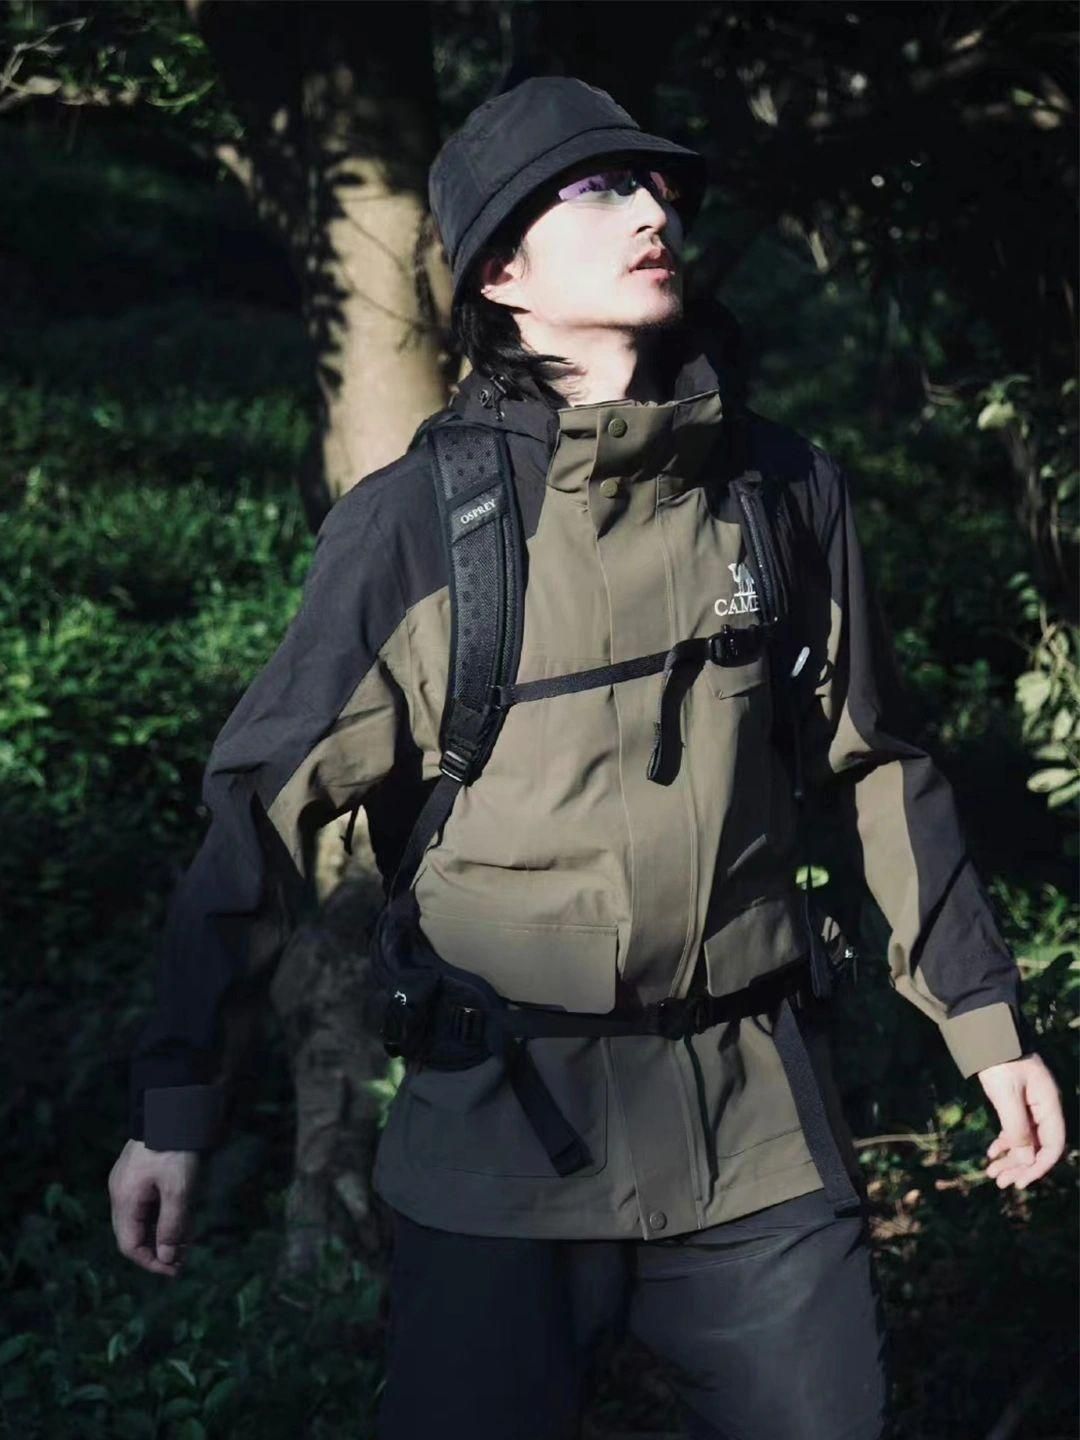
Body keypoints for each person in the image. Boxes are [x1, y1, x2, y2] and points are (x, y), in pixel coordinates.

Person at [109, 76, 1066, 1440]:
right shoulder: (414, 529)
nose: (651, 210)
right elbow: (257, 816)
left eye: (657, 185)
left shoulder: (784, 489)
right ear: (500, 273)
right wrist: (175, 1102)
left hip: (755, 1126)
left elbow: (878, 766)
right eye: (599, 188)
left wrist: (983, 1022)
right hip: (498, 1138)